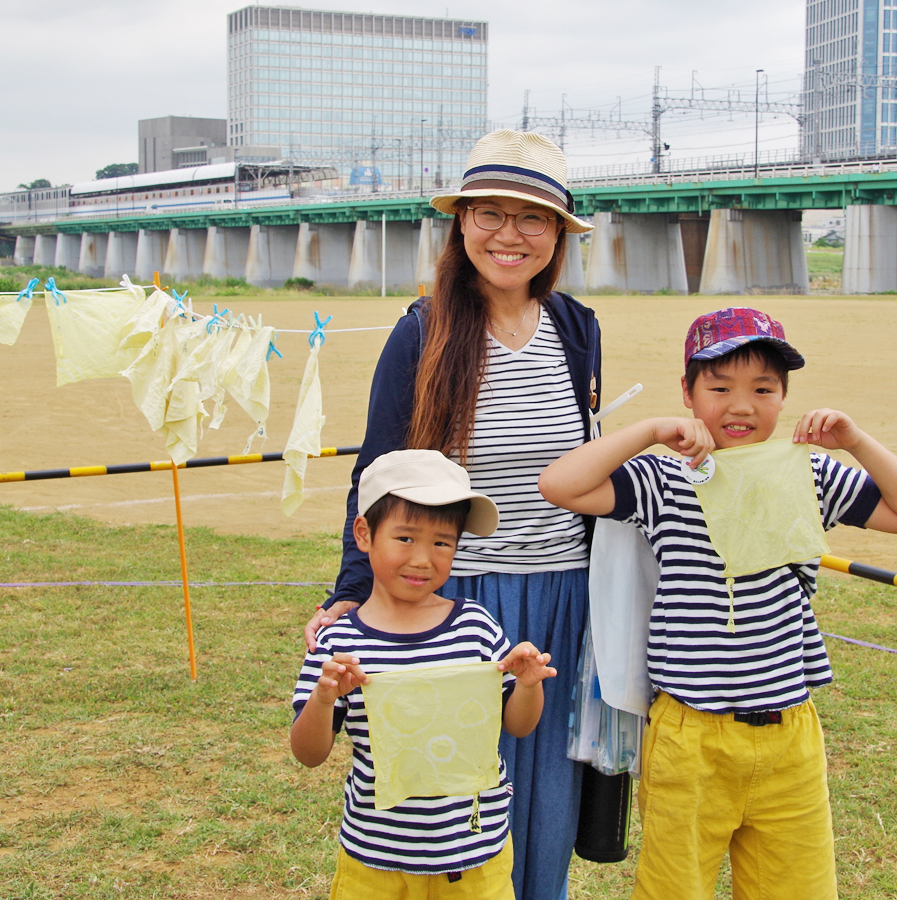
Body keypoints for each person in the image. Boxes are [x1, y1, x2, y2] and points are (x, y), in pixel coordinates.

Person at [538, 307, 897, 900]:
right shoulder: (663, 478)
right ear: (688, 392)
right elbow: (560, 485)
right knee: (677, 887)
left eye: (763, 389)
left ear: (784, 397)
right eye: (719, 388)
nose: (741, 406)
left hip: (789, 733)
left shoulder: (810, 474)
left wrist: (854, 441)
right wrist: (650, 431)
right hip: (689, 734)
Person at [303, 129, 600, 900]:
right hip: (461, 596)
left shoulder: (577, 329)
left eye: (533, 219)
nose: (510, 235)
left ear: (559, 235)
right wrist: (350, 585)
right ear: (461, 222)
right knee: (453, 796)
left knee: (547, 795)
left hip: (565, 594)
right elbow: (378, 467)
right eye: (490, 214)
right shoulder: (422, 330)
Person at [290, 449, 557, 900]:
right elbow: (309, 753)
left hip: (477, 860)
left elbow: (517, 723)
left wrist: (528, 686)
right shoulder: (338, 644)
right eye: (406, 538)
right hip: (374, 863)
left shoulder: (476, 626)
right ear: (364, 534)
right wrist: (322, 699)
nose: (422, 559)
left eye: (442, 542)